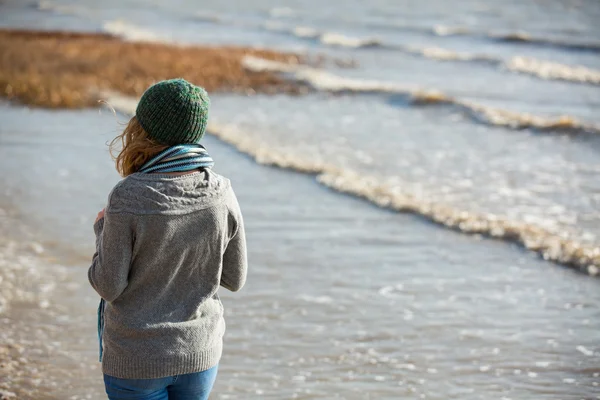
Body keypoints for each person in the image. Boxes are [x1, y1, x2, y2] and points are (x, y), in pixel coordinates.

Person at [88, 78, 247, 400]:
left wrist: (101, 230)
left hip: (138, 358)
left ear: (142, 128)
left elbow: (108, 284)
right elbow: (234, 278)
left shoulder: (128, 195)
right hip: (199, 353)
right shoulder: (221, 190)